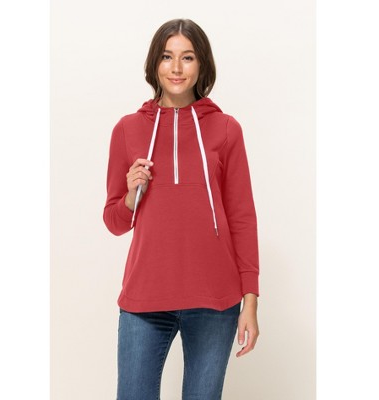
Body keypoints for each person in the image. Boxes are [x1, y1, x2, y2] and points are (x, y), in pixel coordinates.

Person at [103, 18, 260, 400]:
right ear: (154, 64)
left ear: (201, 64)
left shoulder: (226, 128)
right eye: (166, 57)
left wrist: (250, 301)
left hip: (214, 300)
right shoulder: (127, 129)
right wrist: (131, 193)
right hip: (145, 298)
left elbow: (242, 217)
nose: (176, 68)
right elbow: (114, 221)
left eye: (187, 57)